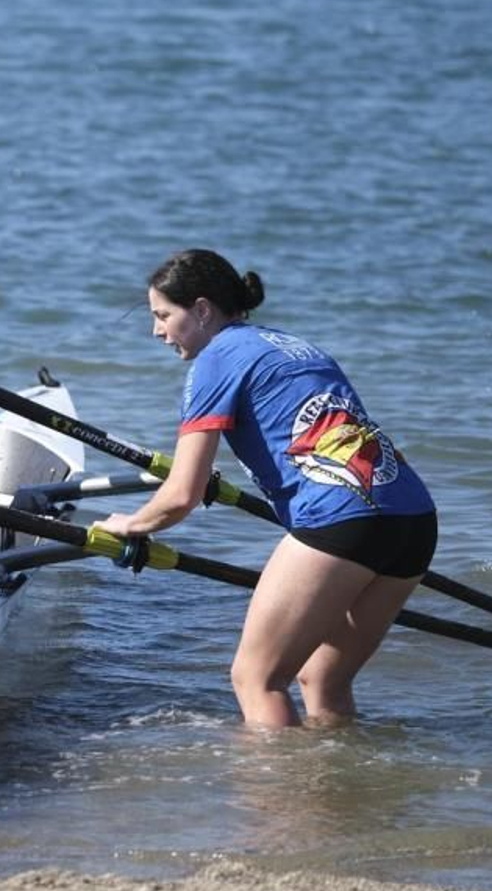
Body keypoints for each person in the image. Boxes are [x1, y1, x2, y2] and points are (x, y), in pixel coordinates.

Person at [93, 249, 438, 728]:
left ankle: (282, 799)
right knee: (323, 680)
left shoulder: (214, 360)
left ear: (202, 309)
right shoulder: (298, 347)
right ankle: (346, 795)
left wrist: (130, 525)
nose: (157, 331)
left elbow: (180, 496)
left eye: (162, 316)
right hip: (414, 519)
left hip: (341, 520)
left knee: (256, 679)